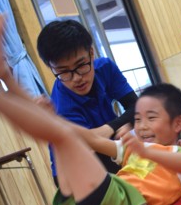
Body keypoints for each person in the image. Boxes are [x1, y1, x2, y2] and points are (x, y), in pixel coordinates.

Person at [0, 15, 181, 205]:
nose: (76, 77)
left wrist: (143, 149)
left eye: (151, 118)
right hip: (89, 191)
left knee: (60, 132)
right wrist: (55, 119)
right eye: (139, 120)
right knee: (59, 130)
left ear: (177, 126)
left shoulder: (180, 154)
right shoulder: (125, 146)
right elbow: (91, 140)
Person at [36, 20, 138, 178]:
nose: (77, 78)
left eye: (81, 65)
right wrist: (122, 125)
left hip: (107, 150)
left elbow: (136, 105)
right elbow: (93, 157)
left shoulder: (104, 68)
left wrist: (111, 128)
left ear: (91, 53)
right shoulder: (62, 107)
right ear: (52, 68)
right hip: (74, 174)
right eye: (64, 72)